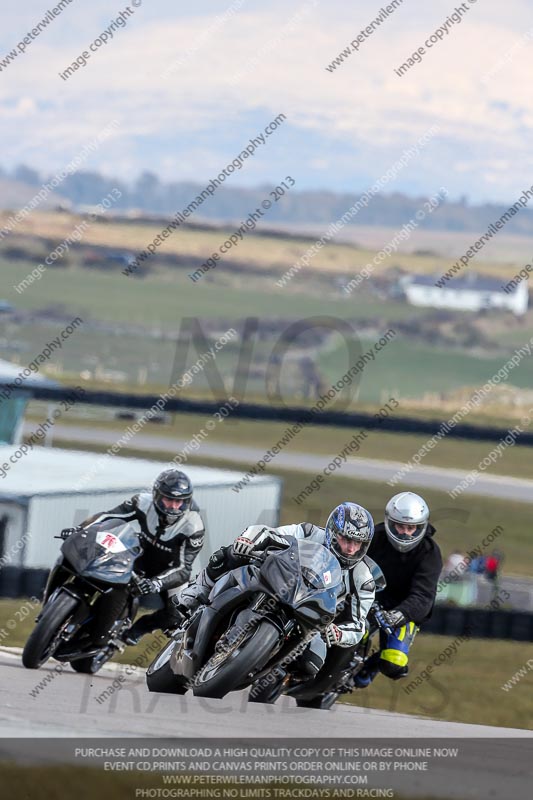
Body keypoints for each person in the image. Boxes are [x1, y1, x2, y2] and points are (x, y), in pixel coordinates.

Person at [176, 502, 376, 676]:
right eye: (346, 540)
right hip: (279, 583)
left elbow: (358, 625)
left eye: (357, 543)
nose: (351, 549)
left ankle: (266, 669)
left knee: (310, 665)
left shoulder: (363, 578)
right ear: (333, 532)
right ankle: (198, 589)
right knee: (232, 554)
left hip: (312, 614)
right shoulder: (310, 533)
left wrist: (340, 633)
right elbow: (272, 533)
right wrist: (250, 539)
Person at [62, 469, 205, 644]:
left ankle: (139, 629)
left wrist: (155, 583)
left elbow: (183, 568)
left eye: (179, 501)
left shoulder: (194, 525)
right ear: (157, 496)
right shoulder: (142, 502)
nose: (174, 507)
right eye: (169, 500)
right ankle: (88, 617)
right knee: (109, 574)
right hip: (140, 555)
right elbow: (109, 516)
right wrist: (80, 529)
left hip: (169, 571)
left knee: (178, 613)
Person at [352, 491, 442, 687]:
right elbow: (351, 560)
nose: (405, 533)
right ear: (389, 523)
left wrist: (399, 614)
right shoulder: (374, 537)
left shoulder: (430, 553)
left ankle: (372, 665)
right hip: (366, 596)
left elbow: (424, 596)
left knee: (393, 664)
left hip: (403, 609)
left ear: (421, 527)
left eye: (411, 528)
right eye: (400, 526)